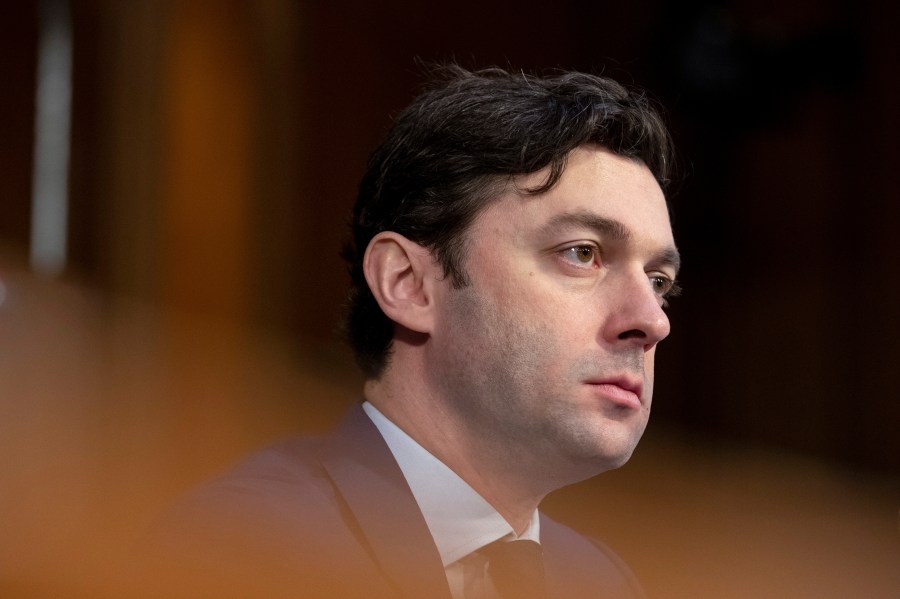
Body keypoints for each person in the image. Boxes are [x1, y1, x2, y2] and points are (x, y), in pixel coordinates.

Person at [140, 64, 680, 599]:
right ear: (408, 284)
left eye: (659, 280)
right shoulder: (236, 551)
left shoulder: (603, 583)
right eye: (582, 253)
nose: (653, 320)